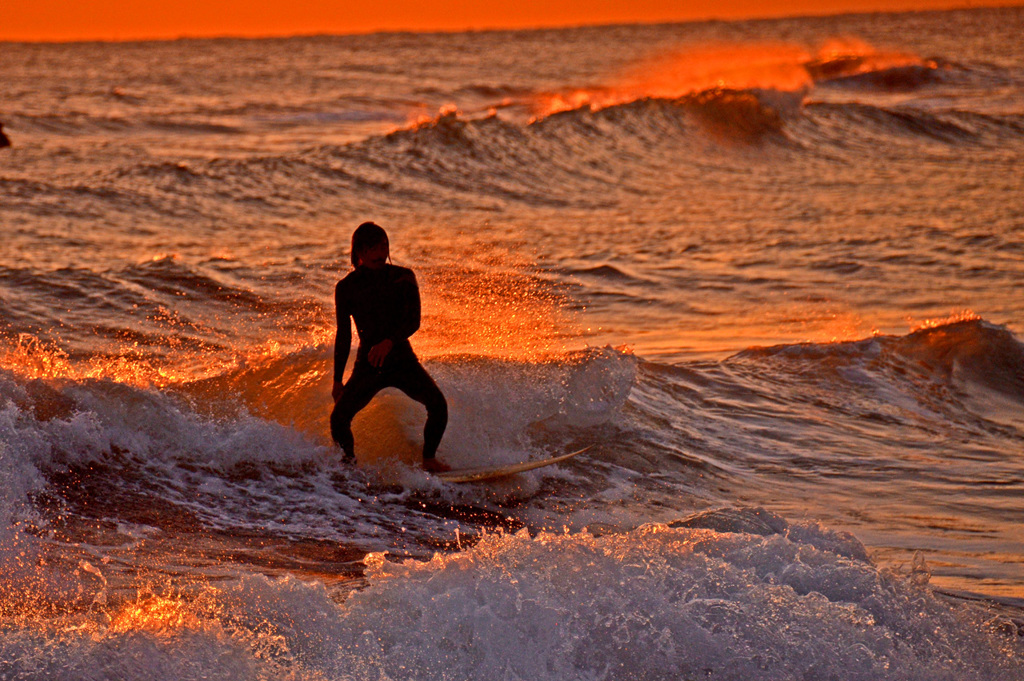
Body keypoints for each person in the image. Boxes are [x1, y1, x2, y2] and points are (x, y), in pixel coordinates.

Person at [330, 222, 450, 472]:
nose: (380, 253)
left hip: (401, 360)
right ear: (359, 252)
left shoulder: (403, 277)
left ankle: (429, 460)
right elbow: (343, 335)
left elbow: (413, 320)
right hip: (369, 364)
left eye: (384, 246)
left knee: (438, 405)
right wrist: (337, 380)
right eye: (373, 248)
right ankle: (349, 467)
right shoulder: (346, 288)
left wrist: (389, 342)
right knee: (338, 419)